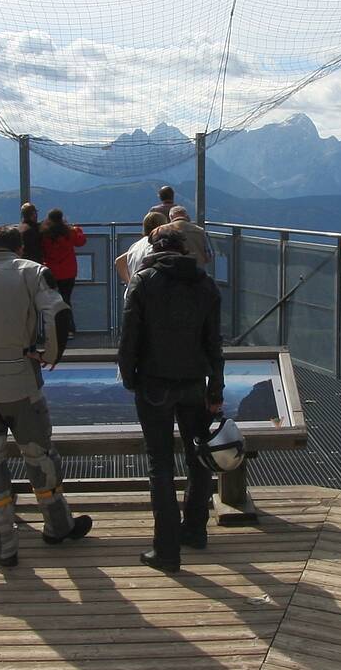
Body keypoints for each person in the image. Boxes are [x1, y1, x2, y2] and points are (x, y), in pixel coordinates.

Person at [0, 226, 93, 566]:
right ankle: (57, 525)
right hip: (22, 382)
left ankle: (4, 542)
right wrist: (50, 354)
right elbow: (59, 312)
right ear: (20, 246)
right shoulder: (32, 272)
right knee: (40, 456)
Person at [117, 227, 224, 574]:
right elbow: (214, 344)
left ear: (154, 248)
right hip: (194, 382)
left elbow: (129, 336)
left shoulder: (144, 281)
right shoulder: (205, 284)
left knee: (160, 466)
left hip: (154, 382)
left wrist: (130, 378)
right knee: (198, 459)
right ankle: (195, 531)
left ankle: (166, 551)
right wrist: (215, 389)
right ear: (183, 249)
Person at [40, 209, 88, 351]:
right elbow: (81, 241)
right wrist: (77, 228)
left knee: (52, 301)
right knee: (66, 299)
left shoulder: (45, 234)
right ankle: (69, 329)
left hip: (52, 272)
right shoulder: (69, 232)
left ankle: (53, 330)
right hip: (68, 271)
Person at [116, 210, 171, 284]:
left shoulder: (136, 245)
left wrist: (129, 283)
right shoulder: (156, 245)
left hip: (135, 291)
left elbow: (119, 261)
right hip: (149, 291)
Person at [165, 205, 213, 270]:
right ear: (186, 216)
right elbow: (209, 256)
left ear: (171, 217)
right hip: (196, 272)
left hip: (174, 272)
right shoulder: (200, 231)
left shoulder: (164, 230)